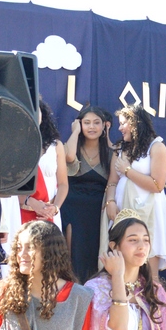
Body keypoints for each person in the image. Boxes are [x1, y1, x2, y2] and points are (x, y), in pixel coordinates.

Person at [103, 103, 166, 276]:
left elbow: (157, 185)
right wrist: (110, 202)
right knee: (122, 264)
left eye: (123, 123)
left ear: (135, 123)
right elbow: (112, 182)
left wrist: (128, 171)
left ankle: (152, 293)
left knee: (149, 271)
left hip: (150, 212)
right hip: (122, 212)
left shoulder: (156, 147)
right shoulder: (120, 149)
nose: (120, 128)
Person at [62, 105, 113, 281]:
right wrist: (75, 132)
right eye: (86, 123)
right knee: (73, 253)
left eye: (96, 123)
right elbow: (68, 157)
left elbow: (113, 183)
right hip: (72, 208)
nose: (92, 127)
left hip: (97, 211)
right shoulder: (73, 146)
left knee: (94, 252)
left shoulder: (111, 153)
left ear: (104, 125)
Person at [19, 99, 68, 229]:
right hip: (20, 214)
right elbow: (8, 188)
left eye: (37, 110)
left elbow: (63, 184)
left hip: (49, 215)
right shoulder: (14, 145)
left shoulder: (55, 145)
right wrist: (30, 201)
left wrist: (55, 207)